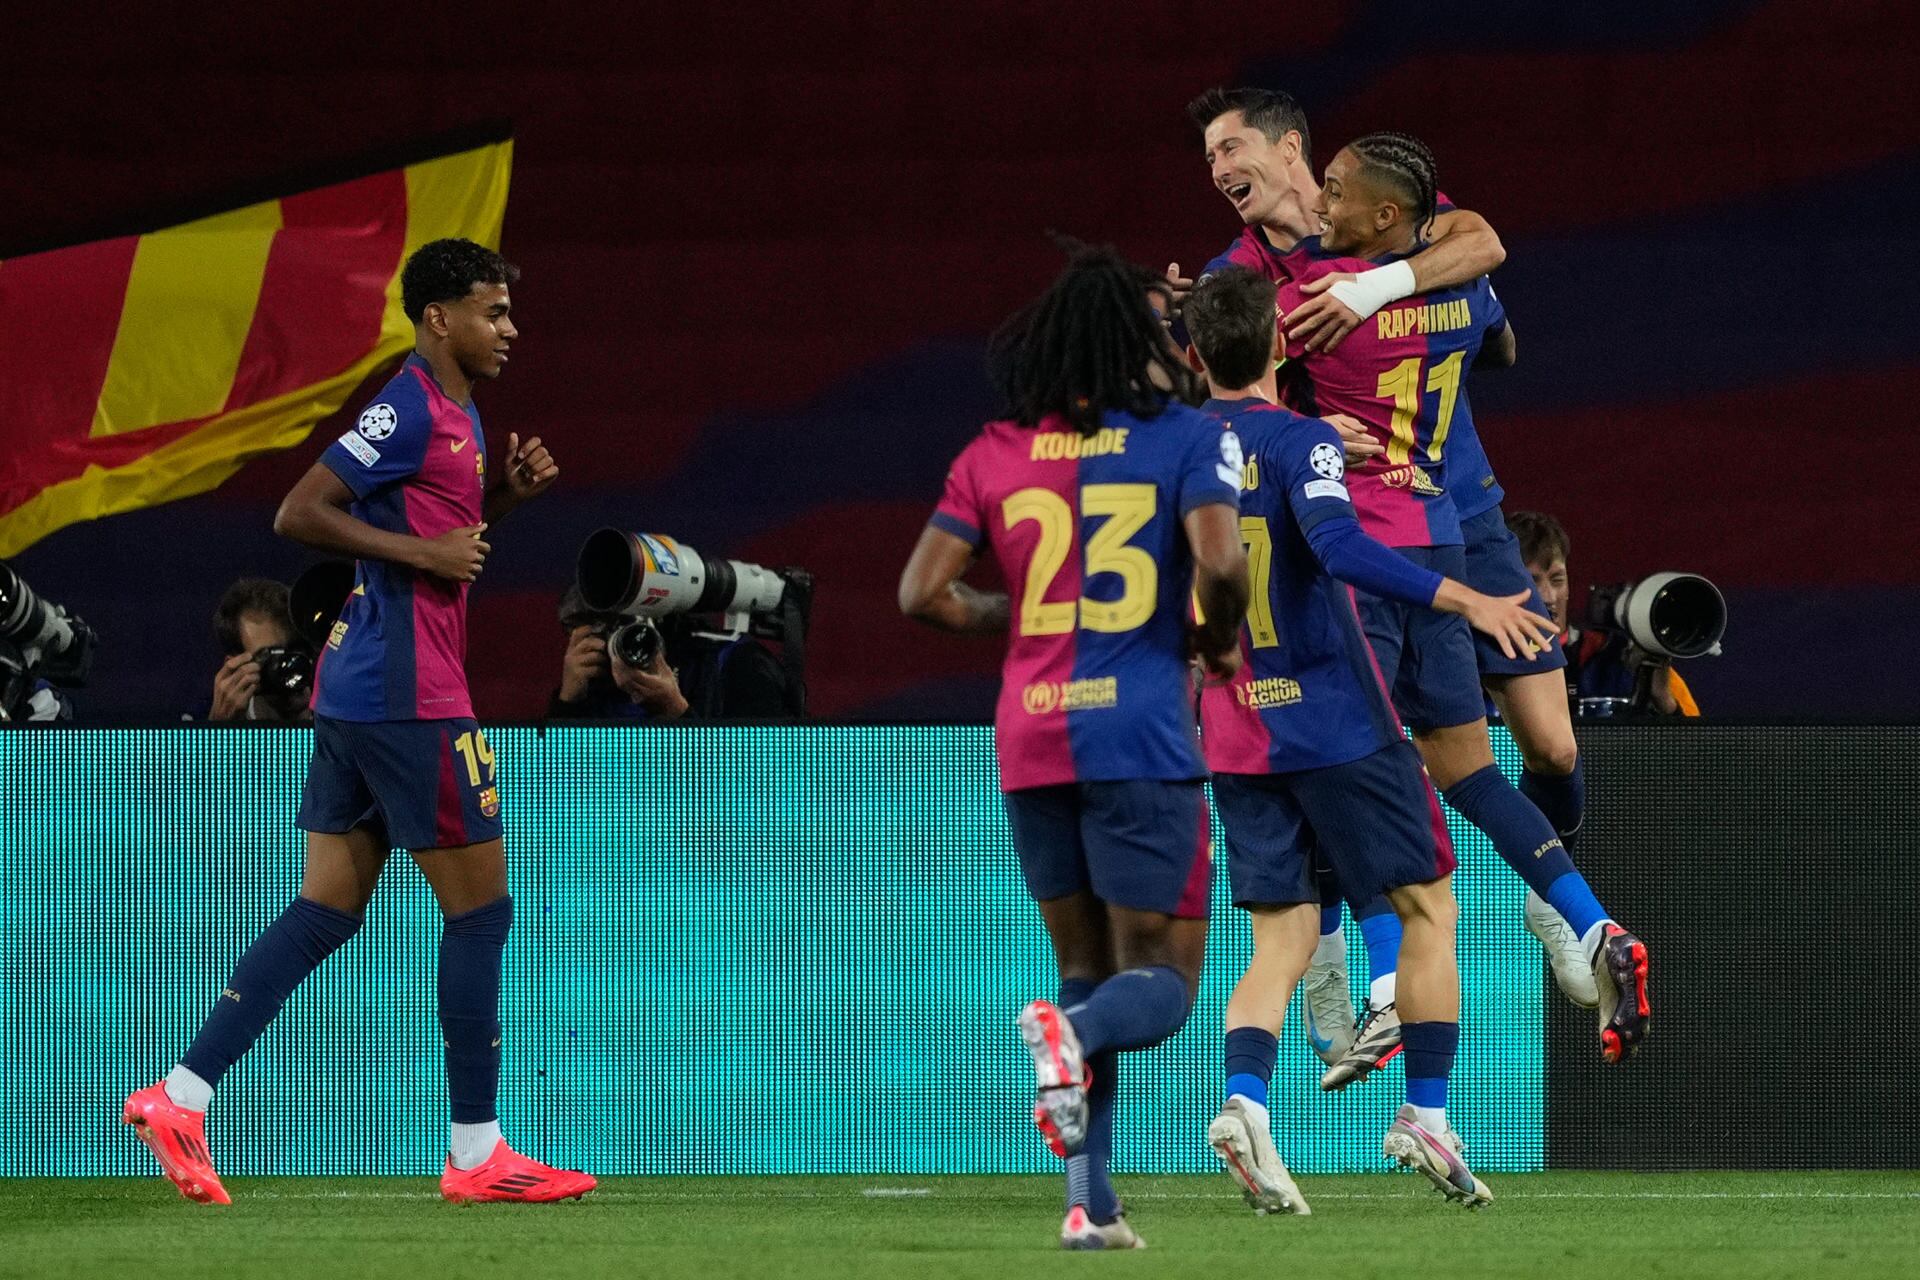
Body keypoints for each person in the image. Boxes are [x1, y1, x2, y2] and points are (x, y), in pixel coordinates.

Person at [122, 238, 594, 1206]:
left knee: (327, 906)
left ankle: (180, 1092)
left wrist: (505, 496)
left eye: (509, 311)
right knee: (482, 908)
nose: (509, 329)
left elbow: (436, 542)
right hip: (408, 693)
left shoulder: (459, 410)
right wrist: (421, 549)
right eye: (491, 311)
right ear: (438, 318)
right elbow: (301, 510)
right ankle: (476, 1151)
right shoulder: (412, 400)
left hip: (363, 686)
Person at [1264, 134, 1650, 1078]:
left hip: (1369, 546)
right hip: (1437, 525)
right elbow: (1499, 321)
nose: (1321, 199)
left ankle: (1383, 972)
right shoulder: (1458, 285)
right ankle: (1586, 918)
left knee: (1346, 759)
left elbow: (1230, 396)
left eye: (1339, 189)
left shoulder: (1305, 295)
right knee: (1465, 770)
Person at [899, 244, 1248, 1249]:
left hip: (1032, 732)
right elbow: (1222, 564)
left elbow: (920, 592)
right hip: (1140, 729)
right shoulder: (1186, 437)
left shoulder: (992, 450)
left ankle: (1089, 1202)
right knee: (1164, 988)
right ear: (1143, 341)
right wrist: (1213, 640)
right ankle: (1072, 1040)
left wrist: (1019, 618)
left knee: (1089, 967)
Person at [1186, 268, 1557, 1210]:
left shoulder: (1174, 450)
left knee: (1286, 934)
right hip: (1338, 721)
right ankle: (1425, 1114)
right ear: (1283, 346)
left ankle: (1243, 1104)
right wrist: (1466, 595)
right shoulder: (1303, 438)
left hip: (1235, 726)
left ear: (1193, 356)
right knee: (1432, 907)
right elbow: (1341, 550)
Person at [1508, 511, 1700, 717]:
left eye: (1557, 580)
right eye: (1532, 582)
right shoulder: (1476, 661)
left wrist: (1662, 699)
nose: (1549, 597)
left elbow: (1697, 748)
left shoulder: (1623, 659)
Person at [548, 587, 792, 721]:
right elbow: (549, 799)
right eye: (603, 628)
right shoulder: (592, 683)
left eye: (628, 623)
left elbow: (761, 794)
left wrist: (674, 711)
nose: (621, 640)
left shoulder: (734, 663)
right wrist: (567, 705)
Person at [207, 578, 313, 722]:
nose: (291, 666)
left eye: (297, 650)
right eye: (271, 656)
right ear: (236, 668)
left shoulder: (340, 725)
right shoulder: (198, 724)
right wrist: (220, 732)